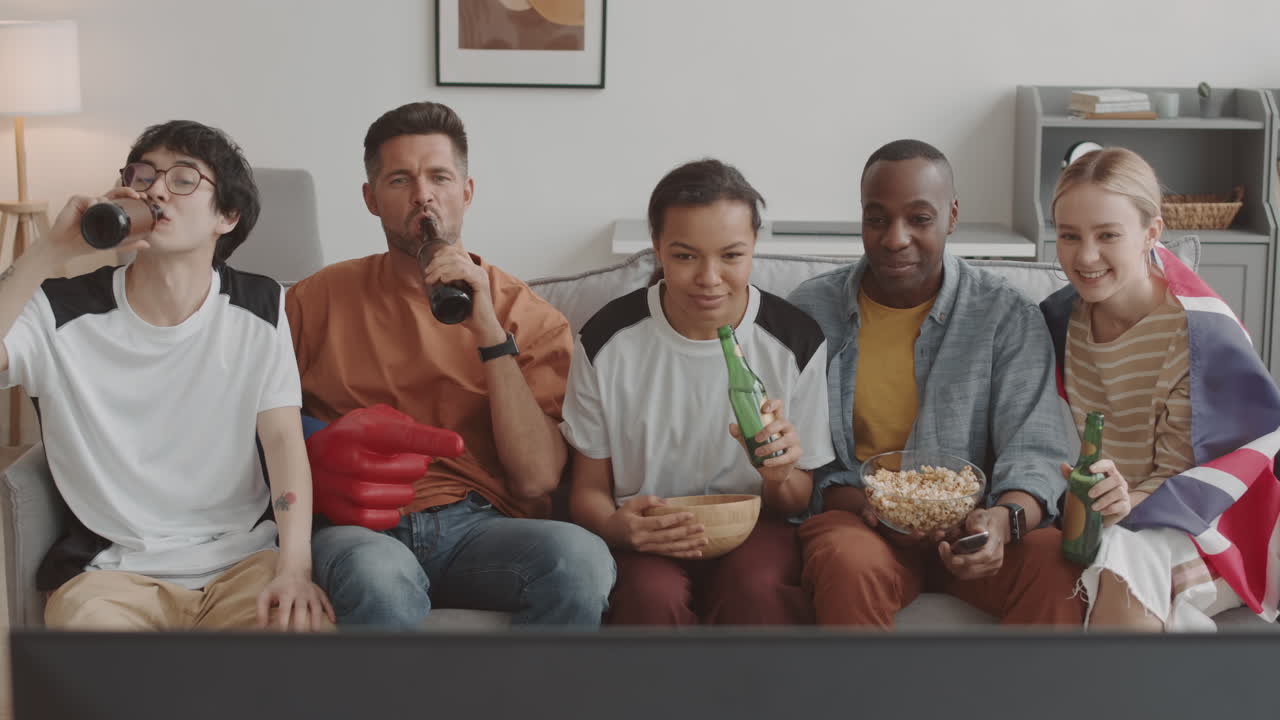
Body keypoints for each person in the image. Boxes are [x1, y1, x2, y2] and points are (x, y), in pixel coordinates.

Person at [288, 101, 614, 628]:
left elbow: (536, 479)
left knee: (580, 561)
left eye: (439, 177)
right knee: (377, 577)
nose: (423, 195)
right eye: (400, 180)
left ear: (466, 192)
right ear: (371, 199)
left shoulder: (528, 316)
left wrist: (489, 334)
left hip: (482, 526)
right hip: (361, 529)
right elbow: (255, 426)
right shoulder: (314, 300)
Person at [1, 120, 332, 631]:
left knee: (298, 650)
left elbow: (284, 441)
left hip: (243, 567)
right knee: (92, 664)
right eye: (143, 175)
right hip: (110, 577)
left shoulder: (261, 305)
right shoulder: (59, 309)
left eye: (183, 179)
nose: (155, 190)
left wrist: (294, 567)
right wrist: (48, 253)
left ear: (226, 216)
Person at [788, 139, 1084, 627]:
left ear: (952, 216)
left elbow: (1034, 450)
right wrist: (877, 508)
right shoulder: (811, 312)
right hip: (862, 520)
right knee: (848, 562)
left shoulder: (1004, 315)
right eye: (877, 218)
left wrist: (1002, 522)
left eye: (919, 219)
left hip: (975, 521)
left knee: (1056, 566)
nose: (895, 238)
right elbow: (801, 463)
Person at [562, 159, 834, 625]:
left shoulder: (796, 340)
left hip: (754, 528)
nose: (709, 278)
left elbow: (796, 500)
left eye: (731, 256)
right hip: (650, 531)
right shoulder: (606, 340)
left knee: (758, 591)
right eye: (686, 256)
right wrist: (615, 528)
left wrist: (779, 474)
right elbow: (588, 490)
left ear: (754, 246)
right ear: (657, 246)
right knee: (650, 598)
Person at [1041, 147, 1280, 629]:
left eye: (1108, 235)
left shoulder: (1199, 335)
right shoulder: (1059, 320)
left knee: (1125, 562)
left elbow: (1191, 475)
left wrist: (1123, 506)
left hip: (1195, 517)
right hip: (1098, 510)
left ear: (1151, 233)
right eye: (1069, 235)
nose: (1085, 256)